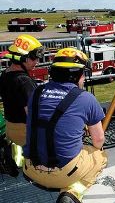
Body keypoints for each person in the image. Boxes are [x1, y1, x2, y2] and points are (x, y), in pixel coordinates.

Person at [23, 48, 107, 203]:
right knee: (100, 155)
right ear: (78, 75)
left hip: (30, 169)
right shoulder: (86, 98)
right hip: (63, 174)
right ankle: (72, 193)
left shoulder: (36, 92)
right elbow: (99, 140)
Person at [0, 34, 44, 176]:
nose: (37, 61)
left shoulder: (5, 74)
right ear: (23, 58)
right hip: (23, 133)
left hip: (10, 129)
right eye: (33, 58)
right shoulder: (25, 82)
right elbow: (33, 116)